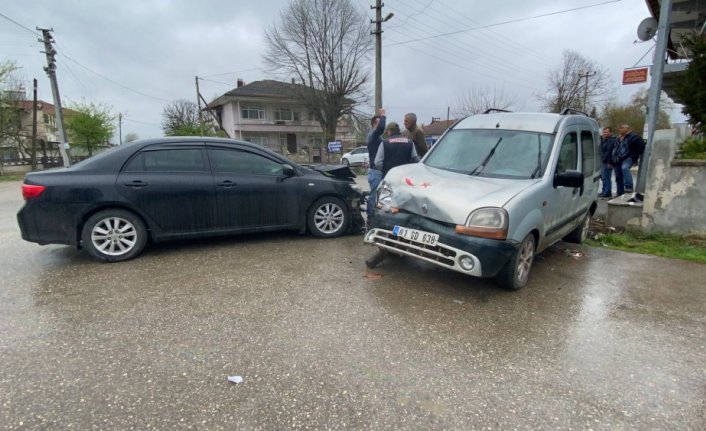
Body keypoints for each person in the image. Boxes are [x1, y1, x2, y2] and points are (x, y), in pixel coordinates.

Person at [612, 123, 646, 195]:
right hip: (617, 159)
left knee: (625, 168)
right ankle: (620, 193)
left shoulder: (634, 137)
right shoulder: (618, 138)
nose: (619, 129)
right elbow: (614, 148)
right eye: (618, 128)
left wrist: (634, 156)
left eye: (621, 128)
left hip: (628, 157)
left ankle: (629, 186)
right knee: (618, 177)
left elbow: (641, 145)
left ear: (627, 129)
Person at [365, 108, 386, 223]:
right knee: (374, 195)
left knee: (378, 195)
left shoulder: (375, 136)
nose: (381, 126)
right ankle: (371, 218)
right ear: (374, 124)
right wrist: (383, 115)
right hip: (375, 171)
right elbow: (382, 127)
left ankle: (375, 217)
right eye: (379, 122)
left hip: (376, 171)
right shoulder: (373, 134)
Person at [599, 126, 617, 198]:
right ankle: (604, 191)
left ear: (611, 133)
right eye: (603, 132)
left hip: (607, 162)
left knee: (606, 177)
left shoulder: (611, 141)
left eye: (606, 132)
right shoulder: (604, 140)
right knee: (603, 177)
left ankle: (607, 192)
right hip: (603, 161)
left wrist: (610, 162)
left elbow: (610, 152)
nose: (604, 133)